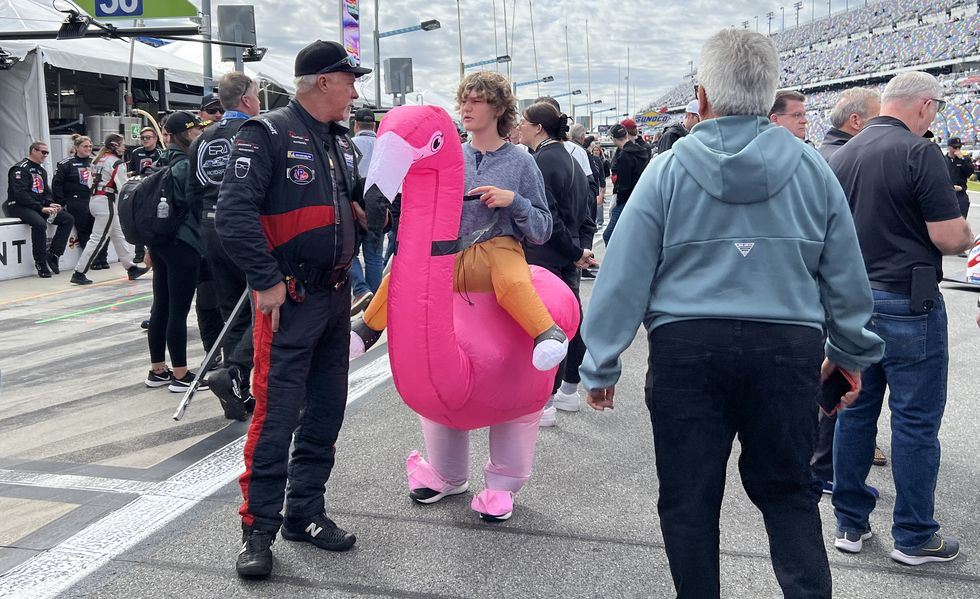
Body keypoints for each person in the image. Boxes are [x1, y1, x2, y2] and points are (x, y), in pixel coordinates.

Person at [580, 29, 885, 599]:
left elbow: (624, 274)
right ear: (769, 97)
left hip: (687, 348)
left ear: (701, 97)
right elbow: (846, 275)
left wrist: (601, 362)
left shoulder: (667, 170)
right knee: (791, 493)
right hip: (786, 348)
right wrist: (848, 358)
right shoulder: (813, 169)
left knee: (688, 498)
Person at [217, 40, 370, 579]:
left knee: (326, 412)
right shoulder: (266, 132)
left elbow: (351, 208)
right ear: (324, 81)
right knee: (275, 416)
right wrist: (267, 281)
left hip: (333, 300)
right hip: (291, 301)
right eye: (350, 79)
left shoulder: (341, 142)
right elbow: (232, 214)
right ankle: (256, 530)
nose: (356, 90)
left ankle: (305, 513)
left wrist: (366, 214)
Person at [830, 71, 973, 566]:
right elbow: (949, 237)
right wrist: (969, 235)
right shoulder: (919, 152)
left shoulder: (843, 152)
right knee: (914, 423)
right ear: (925, 106)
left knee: (854, 412)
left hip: (853, 302)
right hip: (908, 302)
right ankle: (913, 535)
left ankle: (849, 522)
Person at [351, 72, 563, 372]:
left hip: (497, 257)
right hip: (448, 256)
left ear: (499, 108)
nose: (466, 108)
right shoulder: (446, 156)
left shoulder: (522, 161)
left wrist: (514, 201)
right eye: (464, 101)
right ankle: (368, 327)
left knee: (512, 279)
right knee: (401, 272)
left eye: (476, 101)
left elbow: (542, 229)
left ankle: (545, 331)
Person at [811, 87, 889, 487]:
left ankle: (822, 464)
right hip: (839, 287)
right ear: (856, 121)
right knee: (837, 379)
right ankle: (825, 468)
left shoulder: (827, 156)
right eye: (880, 117)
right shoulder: (836, 159)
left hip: (822, 288)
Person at [188, 71, 262, 421]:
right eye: (258, 96)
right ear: (247, 100)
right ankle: (234, 371)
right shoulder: (254, 133)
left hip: (209, 226)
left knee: (230, 307)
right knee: (266, 301)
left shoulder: (201, 140)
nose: (260, 103)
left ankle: (237, 391)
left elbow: (191, 192)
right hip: (246, 227)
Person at [519, 108, 595, 424]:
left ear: (538, 128)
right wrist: (581, 249)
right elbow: (587, 211)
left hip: (546, 255)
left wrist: (573, 251)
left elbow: (548, 219)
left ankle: (544, 400)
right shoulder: (572, 159)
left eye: (523, 123)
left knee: (544, 328)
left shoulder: (540, 162)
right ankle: (567, 390)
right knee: (568, 322)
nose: (519, 128)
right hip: (567, 256)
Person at [143, 112, 207, 391]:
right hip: (184, 242)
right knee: (178, 310)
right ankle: (181, 375)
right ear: (183, 133)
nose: (198, 134)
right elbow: (195, 205)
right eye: (194, 131)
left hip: (160, 242)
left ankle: (157, 369)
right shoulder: (186, 164)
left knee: (161, 306)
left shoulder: (159, 160)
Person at [70, 134, 148, 285]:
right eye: (121, 144)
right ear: (114, 146)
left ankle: (131, 267)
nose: (124, 147)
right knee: (97, 238)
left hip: (95, 199)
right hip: (107, 202)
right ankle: (79, 272)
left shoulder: (97, 159)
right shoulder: (116, 162)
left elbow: (89, 183)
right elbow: (123, 186)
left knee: (117, 234)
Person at [4, 141, 74, 278]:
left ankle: (54, 254)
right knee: (39, 224)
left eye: (47, 153)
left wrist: (51, 204)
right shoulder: (20, 168)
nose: (45, 155)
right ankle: (40, 262)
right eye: (43, 152)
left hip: (37, 206)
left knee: (67, 218)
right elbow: (20, 195)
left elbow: (45, 192)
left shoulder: (41, 170)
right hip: (18, 205)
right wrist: (41, 208)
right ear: (33, 151)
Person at [349, 107, 383, 314]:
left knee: (348, 254)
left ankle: (361, 289)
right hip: (378, 203)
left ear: (356, 125)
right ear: (374, 126)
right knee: (374, 256)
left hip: (352, 203)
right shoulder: (383, 146)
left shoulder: (348, 145)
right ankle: (374, 302)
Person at [601, 123, 647, 246]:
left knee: (608, 235)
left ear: (613, 139)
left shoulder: (624, 155)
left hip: (625, 200)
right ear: (626, 134)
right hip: (640, 198)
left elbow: (624, 184)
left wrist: (619, 201)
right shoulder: (642, 151)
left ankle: (614, 263)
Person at [52, 135, 95, 262]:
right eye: (85, 146)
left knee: (97, 229)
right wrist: (62, 202)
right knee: (84, 229)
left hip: (93, 199)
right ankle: (89, 259)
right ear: (76, 147)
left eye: (90, 146)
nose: (88, 149)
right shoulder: (66, 164)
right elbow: (56, 185)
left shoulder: (95, 161)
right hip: (76, 201)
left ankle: (100, 258)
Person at [818, 88, 881, 162]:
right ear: (856, 121)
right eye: (878, 118)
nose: (883, 123)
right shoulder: (856, 158)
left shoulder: (821, 154)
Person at [945, 137, 974, 218]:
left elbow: (970, 172)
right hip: (946, 194)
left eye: (959, 147)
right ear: (949, 147)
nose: (957, 149)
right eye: (955, 147)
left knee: (961, 221)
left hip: (960, 194)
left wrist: (962, 159)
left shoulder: (965, 159)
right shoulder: (943, 159)